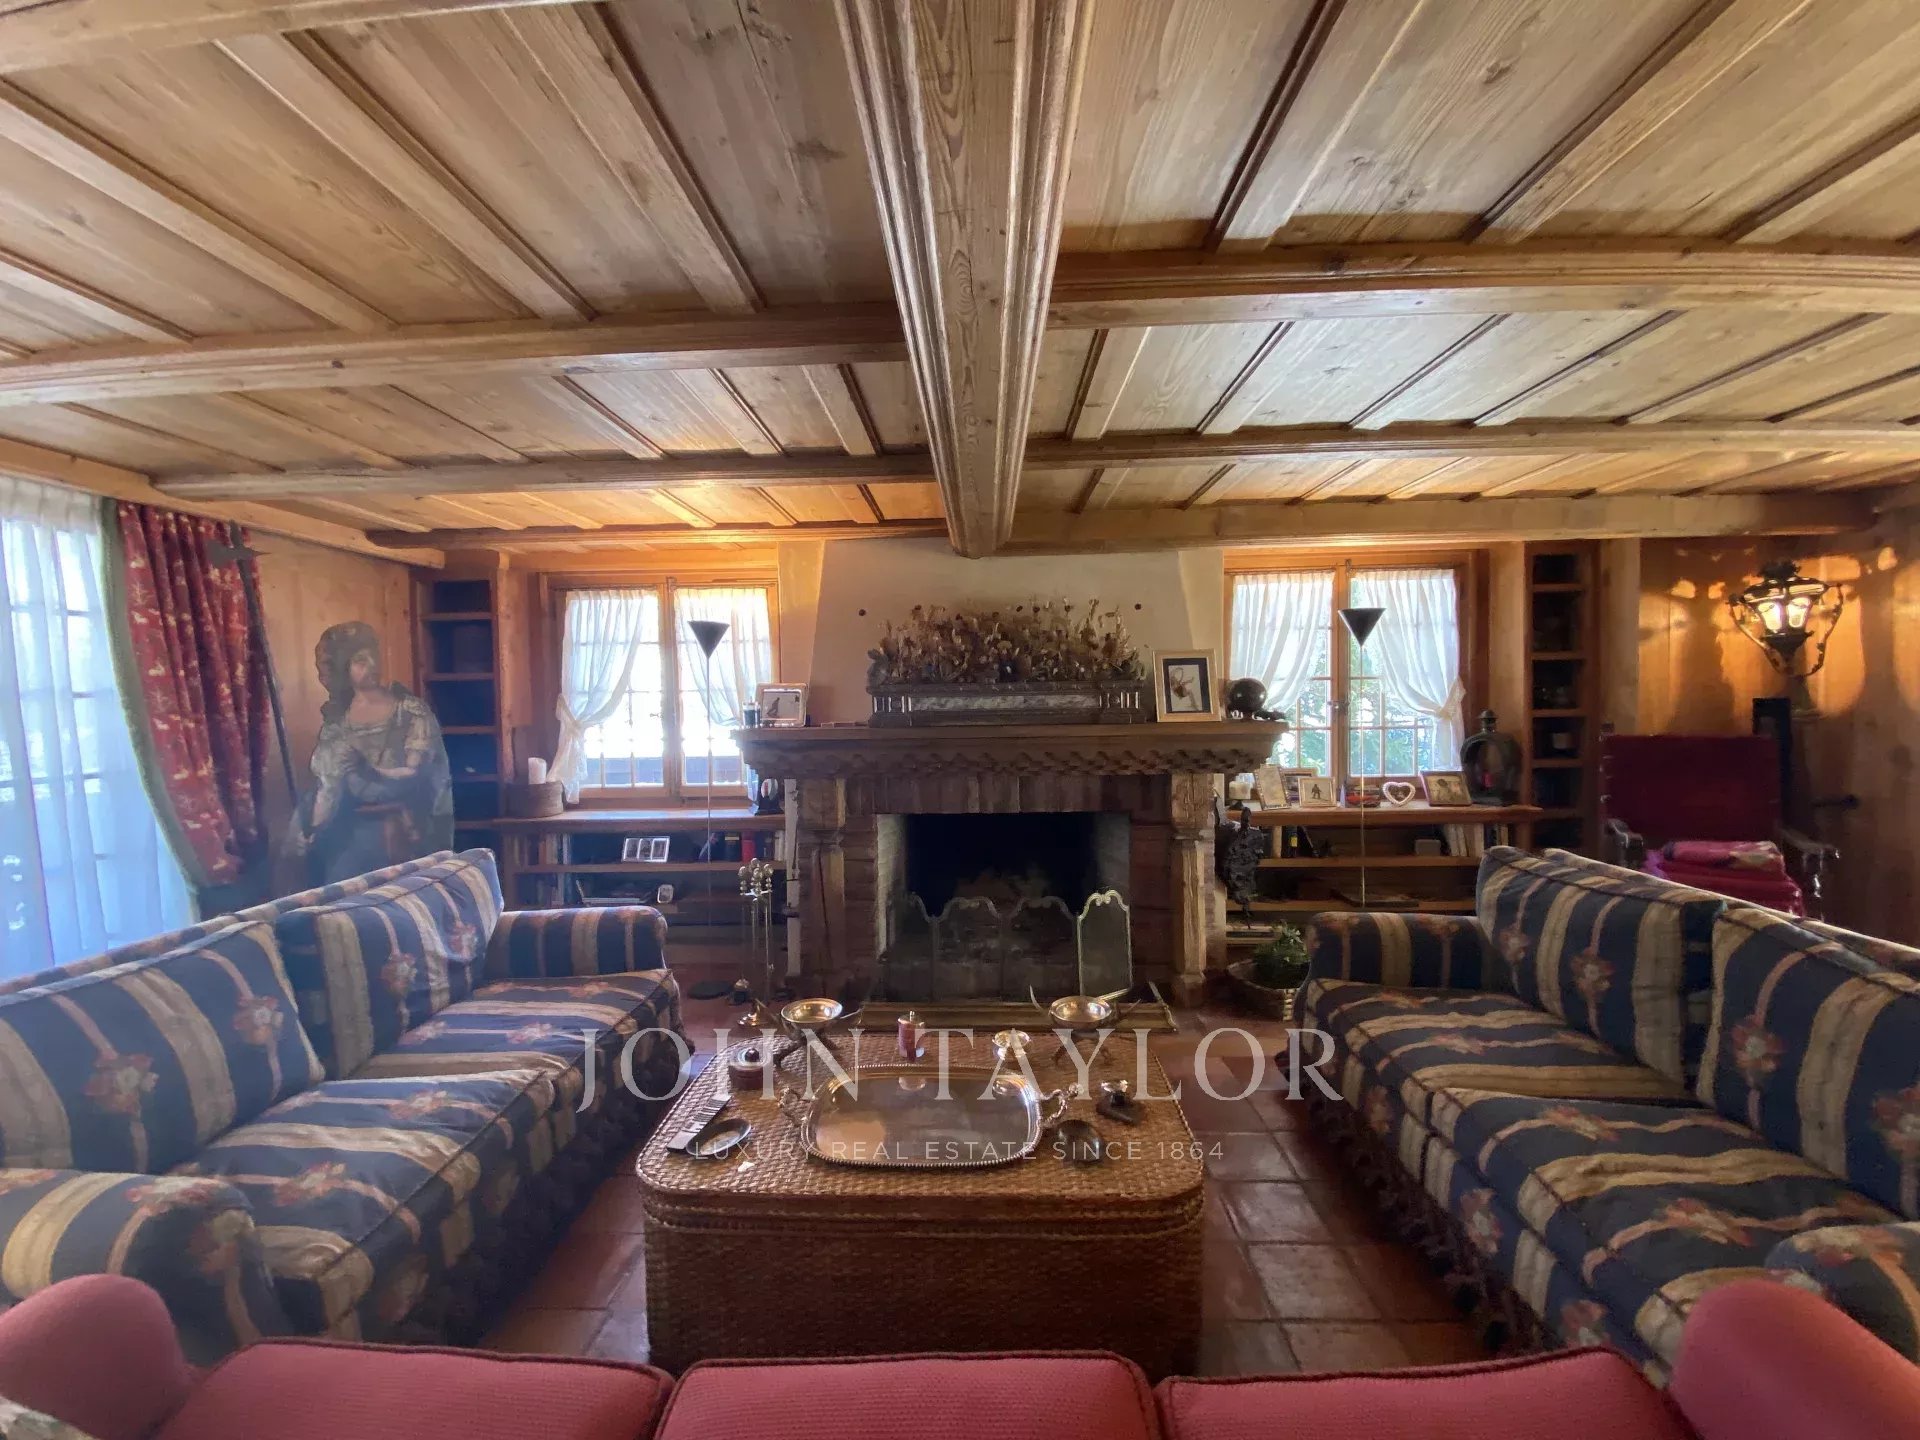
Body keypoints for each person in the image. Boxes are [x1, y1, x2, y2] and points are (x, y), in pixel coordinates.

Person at [286, 622, 452, 883]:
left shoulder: (409, 711)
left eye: (373, 656)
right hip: (352, 829)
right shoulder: (338, 722)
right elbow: (329, 784)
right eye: (360, 661)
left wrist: (370, 770)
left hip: (406, 825)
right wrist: (312, 829)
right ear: (344, 669)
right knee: (338, 883)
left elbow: (416, 773)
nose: (372, 665)